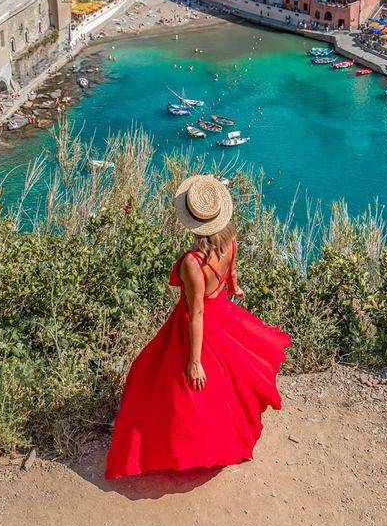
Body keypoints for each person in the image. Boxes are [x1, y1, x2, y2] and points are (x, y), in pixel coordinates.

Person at [105, 175, 291, 480]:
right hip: (225, 316)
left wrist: (194, 361)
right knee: (226, 389)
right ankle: (220, 439)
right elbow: (232, 271)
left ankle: (168, 450)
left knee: (153, 378)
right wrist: (235, 286)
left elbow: (197, 312)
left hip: (197, 327)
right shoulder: (230, 241)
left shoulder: (193, 262)